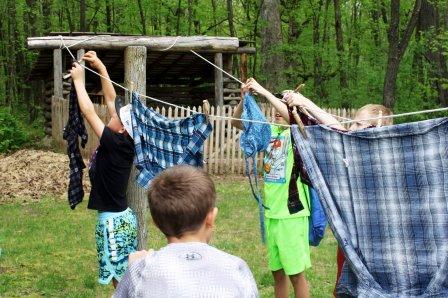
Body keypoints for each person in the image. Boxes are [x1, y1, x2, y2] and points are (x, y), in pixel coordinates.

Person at [231, 78, 343, 298]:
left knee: (295, 274)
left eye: (279, 110)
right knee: (277, 272)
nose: (275, 113)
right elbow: (236, 122)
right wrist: (245, 98)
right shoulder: (269, 131)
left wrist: (264, 92)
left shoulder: (299, 134)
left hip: (292, 213)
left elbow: (292, 117)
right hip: (272, 212)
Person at [114, 165, 259, 297]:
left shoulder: (140, 271)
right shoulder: (237, 268)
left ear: (156, 223)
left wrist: (134, 267)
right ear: (211, 218)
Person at [70, 51, 137, 288]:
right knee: (125, 280)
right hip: (121, 218)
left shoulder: (116, 142)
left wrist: (79, 81)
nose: (114, 113)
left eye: (118, 117)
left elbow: (88, 112)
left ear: (122, 129)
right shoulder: (124, 139)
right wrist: (101, 68)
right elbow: (111, 99)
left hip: (113, 223)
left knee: (119, 283)